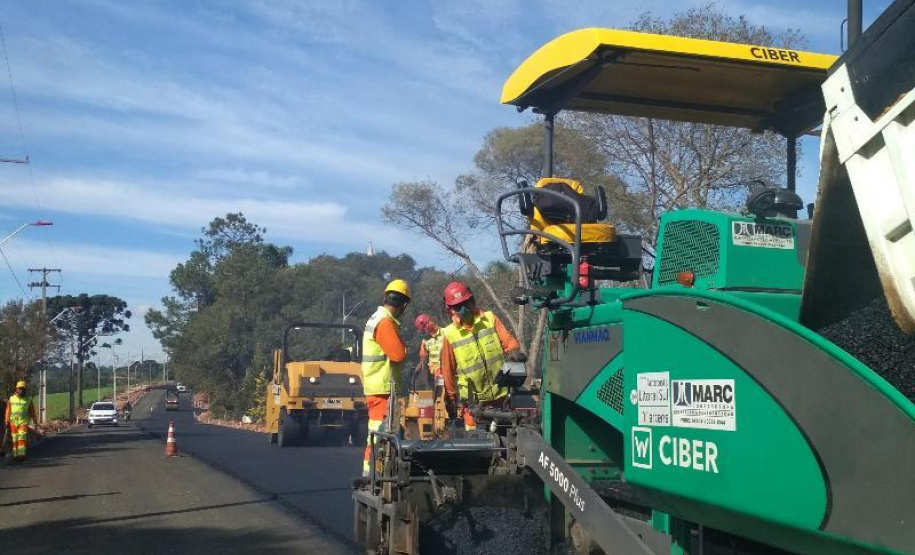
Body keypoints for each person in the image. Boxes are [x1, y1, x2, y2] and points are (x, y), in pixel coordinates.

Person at [438, 281, 526, 430]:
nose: (463, 309)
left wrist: (514, 355)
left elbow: (510, 343)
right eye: (458, 306)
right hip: (473, 404)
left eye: (465, 303)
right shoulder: (449, 334)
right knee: (477, 441)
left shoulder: (490, 319)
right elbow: (448, 371)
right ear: (450, 309)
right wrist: (451, 399)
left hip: (502, 398)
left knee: (507, 437)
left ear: (472, 300)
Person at [360, 279, 411, 476]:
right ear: (404, 305)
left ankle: (372, 475)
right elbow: (398, 354)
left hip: (377, 387)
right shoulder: (385, 322)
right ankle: (372, 476)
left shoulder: (377, 318)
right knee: (380, 435)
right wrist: (404, 347)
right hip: (381, 389)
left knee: (378, 434)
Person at [4, 381, 37, 461]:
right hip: (13, 422)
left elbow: (32, 410)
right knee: (15, 438)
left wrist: (34, 419)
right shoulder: (11, 399)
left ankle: (21, 455)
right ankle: (15, 455)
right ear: (16, 388)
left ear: (25, 389)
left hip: (23, 422)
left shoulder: (28, 399)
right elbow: (8, 410)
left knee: (21, 437)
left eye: (23, 388)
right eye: (20, 388)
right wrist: (6, 420)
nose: (21, 390)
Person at [415, 314, 444, 384]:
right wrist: (420, 365)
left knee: (445, 388)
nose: (424, 331)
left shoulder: (445, 332)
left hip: (448, 369)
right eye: (422, 330)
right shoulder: (425, 341)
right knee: (440, 387)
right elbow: (423, 357)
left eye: (424, 329)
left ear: (429, 322)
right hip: (435, 375)